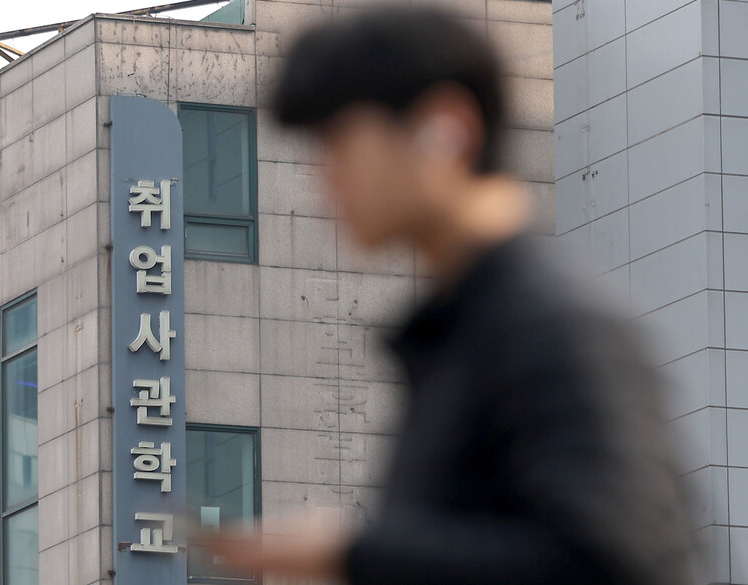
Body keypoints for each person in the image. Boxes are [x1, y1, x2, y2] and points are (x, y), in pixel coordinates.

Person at [209, 6, 702, 585]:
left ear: (445, 127)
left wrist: (353, 553)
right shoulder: (470, 324)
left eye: (341, 141)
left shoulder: (551, 318)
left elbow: (606, 557)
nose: (327, 176)